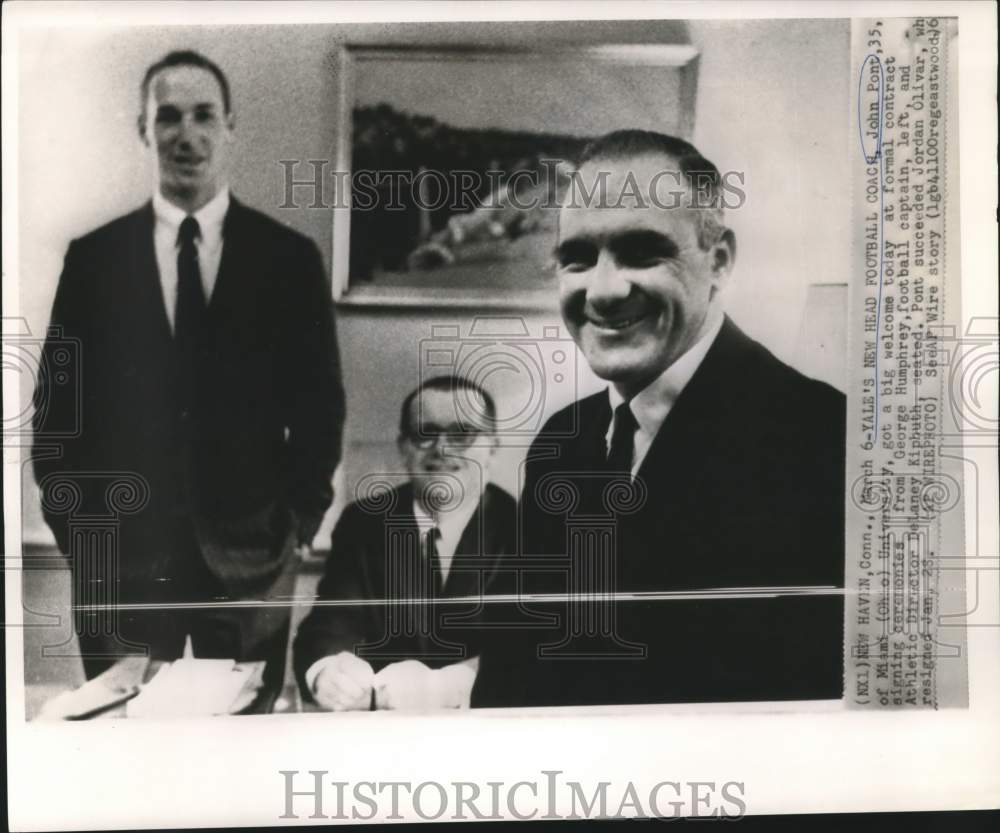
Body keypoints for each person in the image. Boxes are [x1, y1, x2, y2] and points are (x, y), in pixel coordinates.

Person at [472, 129, 845, 708]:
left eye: (642, 252)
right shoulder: (559, 444)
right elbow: (511, 672)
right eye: (576, 259)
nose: (602, 290)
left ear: (718, 261)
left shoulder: (823, 438)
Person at [32, 50, 345, 706]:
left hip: (251, 571)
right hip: (120, 569)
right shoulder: (94, 261)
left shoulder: (287, 260)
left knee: (241, 767)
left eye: (204, 115)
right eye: (167, 117)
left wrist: (293, 530)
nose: (186, 134)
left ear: (229, 124)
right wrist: (85, 537)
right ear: (143, 129)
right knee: (126, 765)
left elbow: (320, 413)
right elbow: (58, 421)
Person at [293, 375, 515, 710]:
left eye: (461, 433)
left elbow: (530, 645)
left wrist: (457, 684)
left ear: (492, 449)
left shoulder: (526, 527)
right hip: (380, 732)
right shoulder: (364, 524)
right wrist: (328, 672)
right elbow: (330, 623)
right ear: (403, 448)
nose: (441, 448)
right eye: (424, 434)